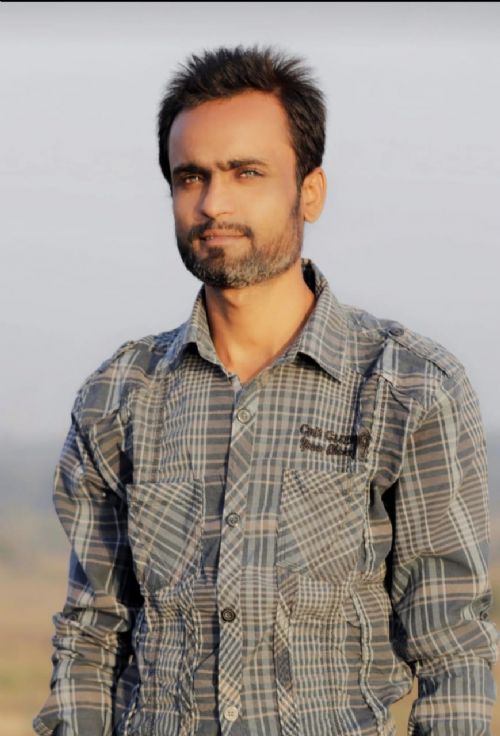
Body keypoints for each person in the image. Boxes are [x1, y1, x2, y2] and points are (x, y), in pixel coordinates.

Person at [33, 45, 498, 736]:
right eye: (191, 176)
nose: (213, 202)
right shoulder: (118, 398)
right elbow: (92, 636)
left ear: (310, 190)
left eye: (246, 172)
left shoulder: (408, 387)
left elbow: (451, 644)